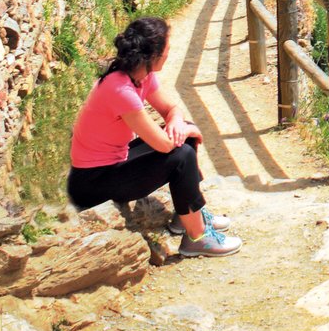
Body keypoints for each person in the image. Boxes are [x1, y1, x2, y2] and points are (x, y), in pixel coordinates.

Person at [67, 19, 241, 257]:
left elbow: (171, 109)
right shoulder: (120, 91)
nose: (169, 53)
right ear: (154, 55)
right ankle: (197, 238)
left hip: (115, 162)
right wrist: (189, 130)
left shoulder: (140, 75)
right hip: (92, 183)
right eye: (166, 49)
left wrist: (182, 124)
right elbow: (166, 144)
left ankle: (188, 216)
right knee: (181, 154)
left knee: (183, 135)